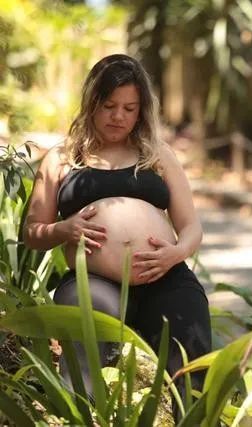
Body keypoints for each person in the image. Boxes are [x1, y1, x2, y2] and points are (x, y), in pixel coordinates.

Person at [23, 54, 212, 405]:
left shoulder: (157, 155)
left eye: (129, 108)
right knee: (84, 362)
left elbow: (191, 227)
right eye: (109, 105)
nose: (118, 116)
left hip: (165, 274)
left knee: (189, 368)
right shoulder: (62, 159)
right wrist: (64, 229)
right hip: (92, 280)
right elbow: (32, 233)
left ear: (141, 111)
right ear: (92, 102)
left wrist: (176, 253)